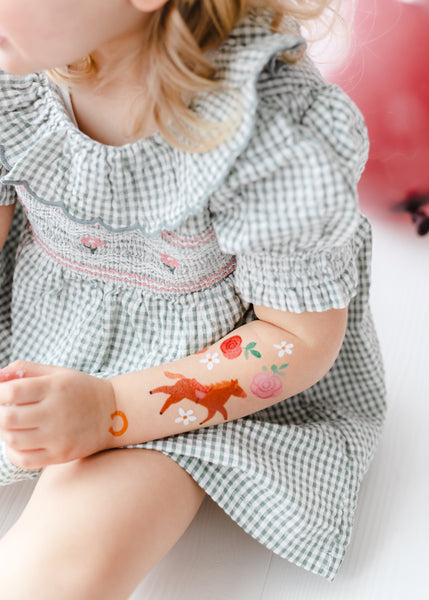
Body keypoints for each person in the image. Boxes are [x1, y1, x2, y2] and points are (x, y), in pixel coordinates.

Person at [0, 0, 386, 597]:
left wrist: (109, 410)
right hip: (36, 325)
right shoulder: (20, 59)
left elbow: (295, 339)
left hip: (194, 387)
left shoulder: (266, 130)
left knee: (56, 573)